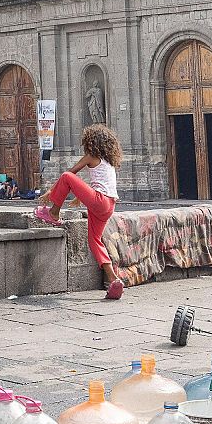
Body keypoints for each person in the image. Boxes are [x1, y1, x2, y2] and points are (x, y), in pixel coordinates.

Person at [34, 124, 125, 299]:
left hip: (100, 201)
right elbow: (102, 183)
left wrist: (50, 192)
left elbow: (70, 173)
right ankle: (114, 280)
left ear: (91, 142)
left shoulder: (92, 156)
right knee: (95, 241)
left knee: (67, 177)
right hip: (109, 205)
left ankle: (53, 213)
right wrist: (81, 197)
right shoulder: (108, 161)